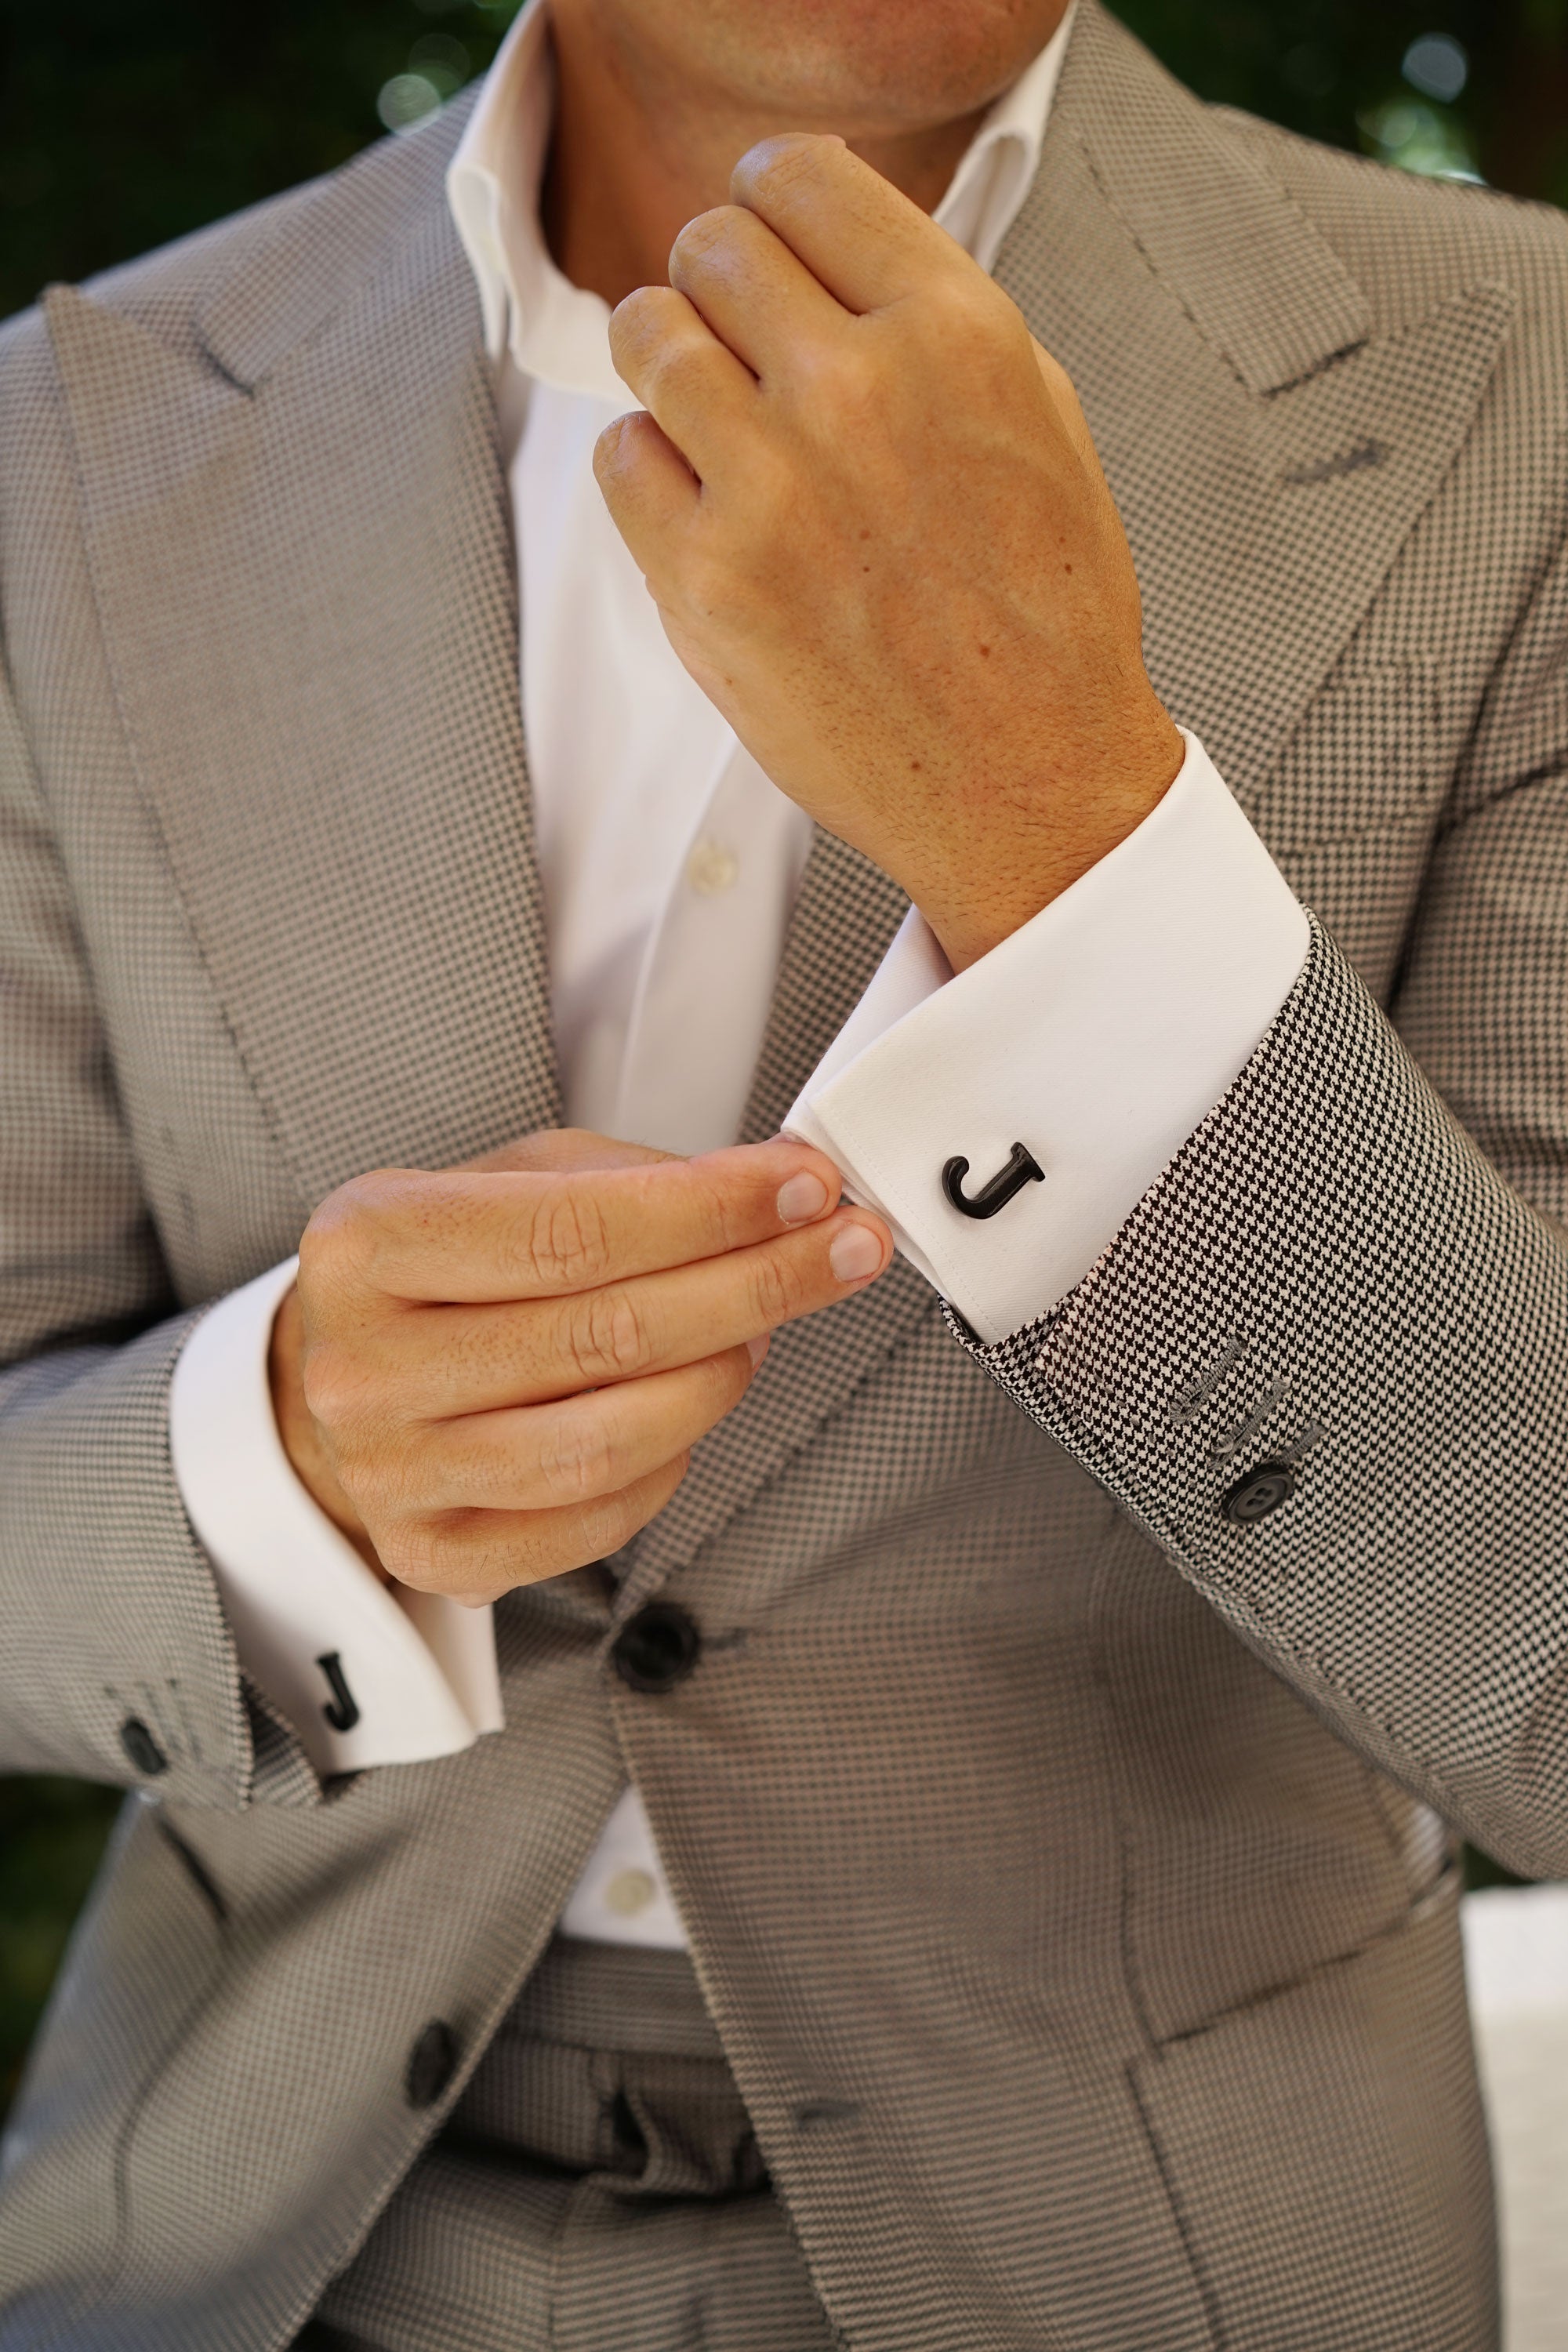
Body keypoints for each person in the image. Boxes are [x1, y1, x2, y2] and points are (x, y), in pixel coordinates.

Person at [1, 0, 1565, 2341]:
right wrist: (273, 1460)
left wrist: (1069, 847)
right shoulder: (65, 444)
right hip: (247, 2245)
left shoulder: (1524, 390)